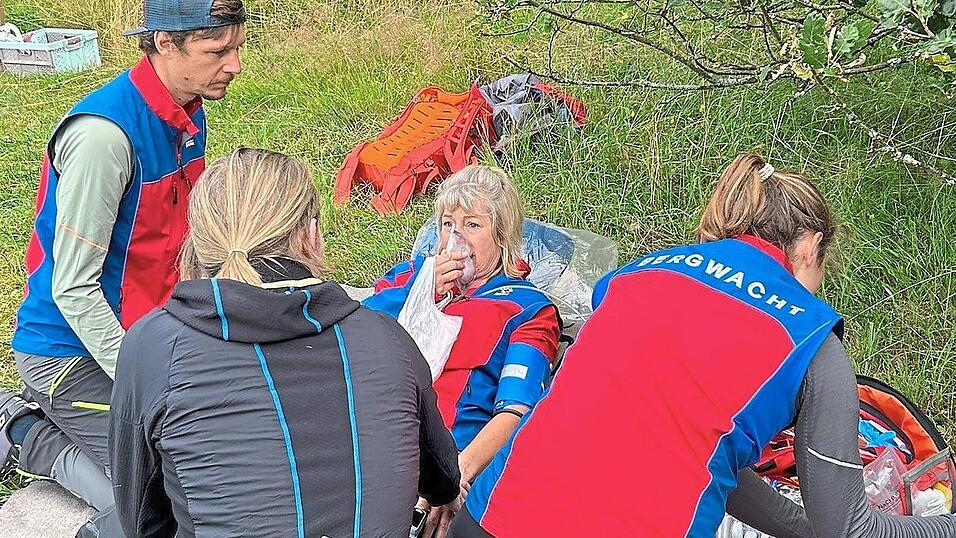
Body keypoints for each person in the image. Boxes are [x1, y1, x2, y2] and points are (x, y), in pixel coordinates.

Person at [452, 154, 956, 537]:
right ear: (809, 247)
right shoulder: (812, 340)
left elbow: (702, 451)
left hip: (489, 517)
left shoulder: (636, 274)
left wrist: (801, 526)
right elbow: (850, 528)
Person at [108, 148, 461, 537]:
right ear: (312, 236)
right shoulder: (384, 337)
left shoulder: (156, 346)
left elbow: (140, 518)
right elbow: (443, 479)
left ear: (198, 241)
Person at [0, 0, 246, 533]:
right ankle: (25, 433)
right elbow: (72, 288)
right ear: (164, 43)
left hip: (150, 334)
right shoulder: (104, 138)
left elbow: (177, 243)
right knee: (156, 501)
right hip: (70, 353)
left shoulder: (186, 108)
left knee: (225, 456)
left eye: (237, 48)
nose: (234, 65)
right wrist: (146, 379)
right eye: (217, 51)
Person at [364, 164, 561, 534]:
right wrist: (420, 290)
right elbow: (354, 335)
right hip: (374, 441)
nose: (456, 239)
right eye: (447, 224)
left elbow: (517, 409)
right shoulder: (409, 276)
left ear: (501, 235)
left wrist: (454, 474)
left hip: (453, 456)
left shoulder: (527, 308)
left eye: (472, 225)